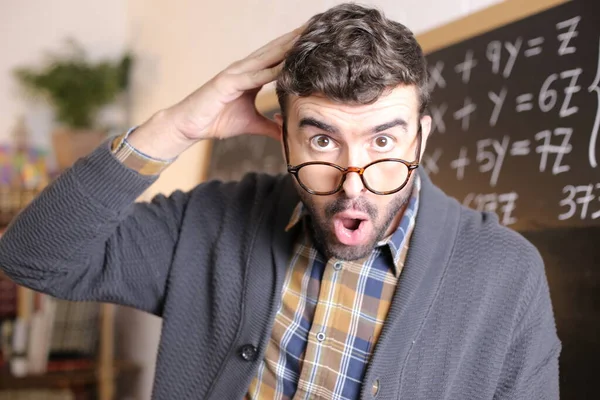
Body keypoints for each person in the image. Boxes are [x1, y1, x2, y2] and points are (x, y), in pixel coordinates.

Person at [0, 3, 560, 400]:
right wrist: (175, 126)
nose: (353, 181)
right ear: (281, 135)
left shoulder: (505, 274)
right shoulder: (207, 221)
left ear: (423, 136)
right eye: (321, 140)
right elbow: (31, 256)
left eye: (383, 141)